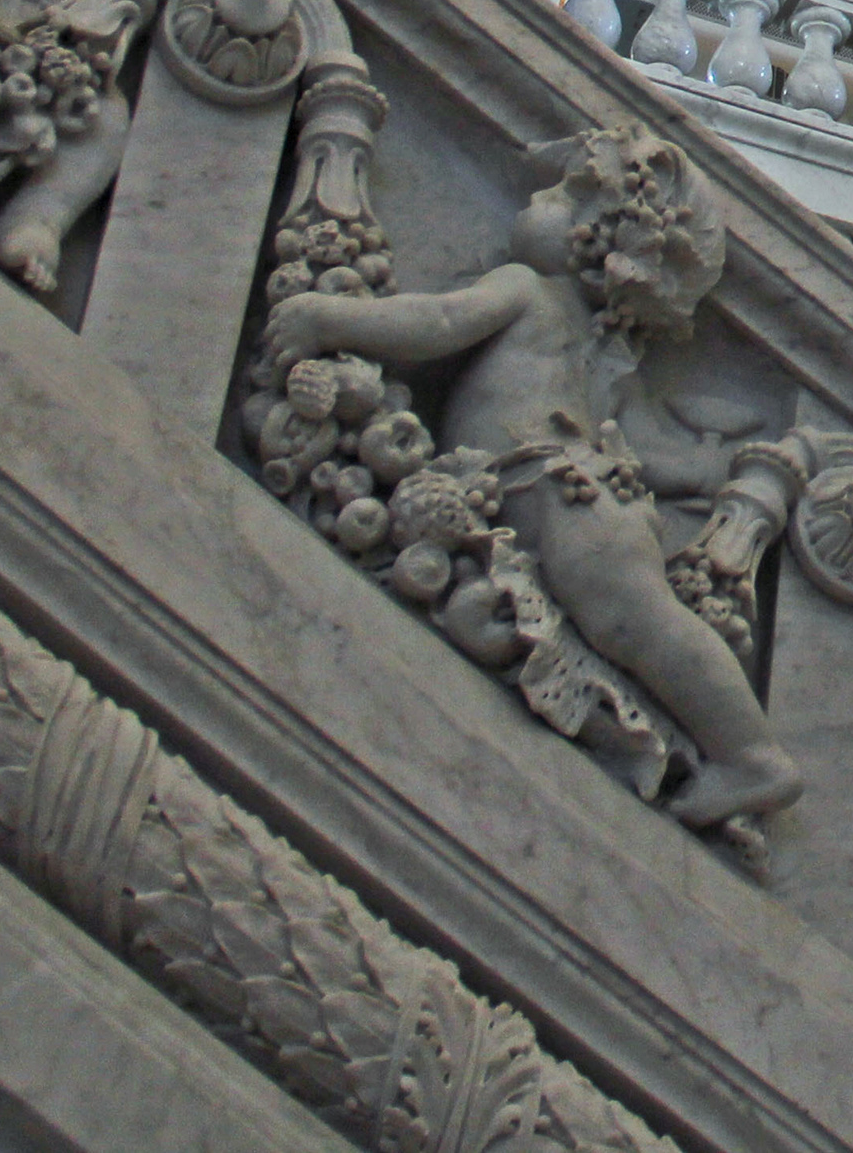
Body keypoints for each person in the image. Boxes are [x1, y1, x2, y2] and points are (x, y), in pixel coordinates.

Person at [262, 130, 801, 829]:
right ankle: (744, 749)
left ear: (593, 237)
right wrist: (702, 468)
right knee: (635, 622)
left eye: (555, 194)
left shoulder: (524, 290)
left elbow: (434, 321)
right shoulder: (602, 353)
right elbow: (651, 452)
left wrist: (328, 316)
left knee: (640, 623)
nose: (536, 200)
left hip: (562, 493)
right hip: (573, 492)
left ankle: (752, 753)